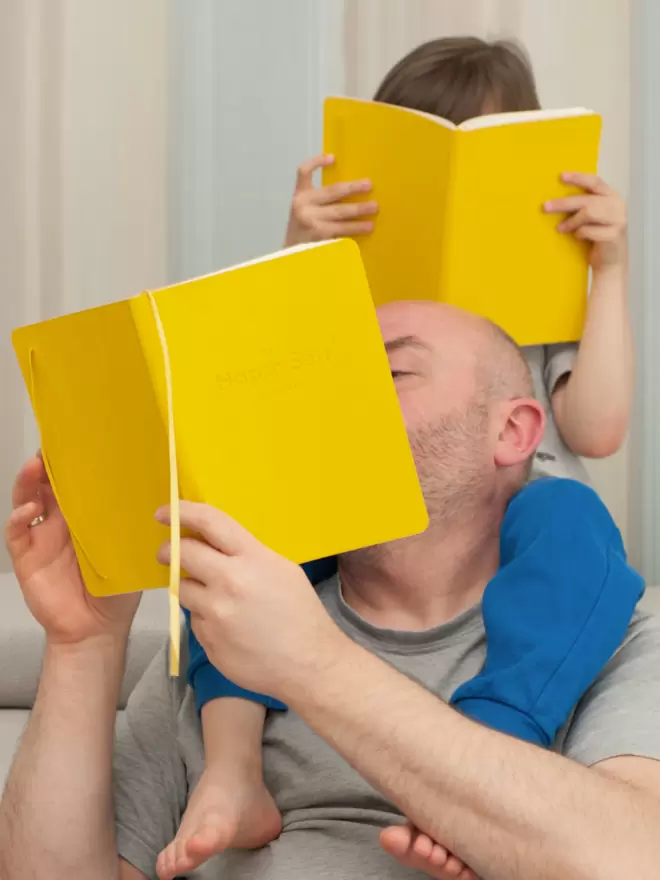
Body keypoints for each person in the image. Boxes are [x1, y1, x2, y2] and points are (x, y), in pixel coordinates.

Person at [173, 36, 637, 879]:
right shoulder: (362, 297)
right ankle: (234, 768)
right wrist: (300, 252)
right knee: (231, 528)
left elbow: (598, 430)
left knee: (575, 518)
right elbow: (270, 396)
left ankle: (493, 740)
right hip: (353, 491)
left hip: (509, 513)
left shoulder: (541, 300)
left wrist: (609, 269)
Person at [3, 301, 658, 880]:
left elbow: (633, 861)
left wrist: (312, 665)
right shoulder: (225, 623)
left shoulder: (616, 640)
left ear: (513, 432)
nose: (343, 395)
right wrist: (82, 644)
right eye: (329, 376)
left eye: (393, 372)